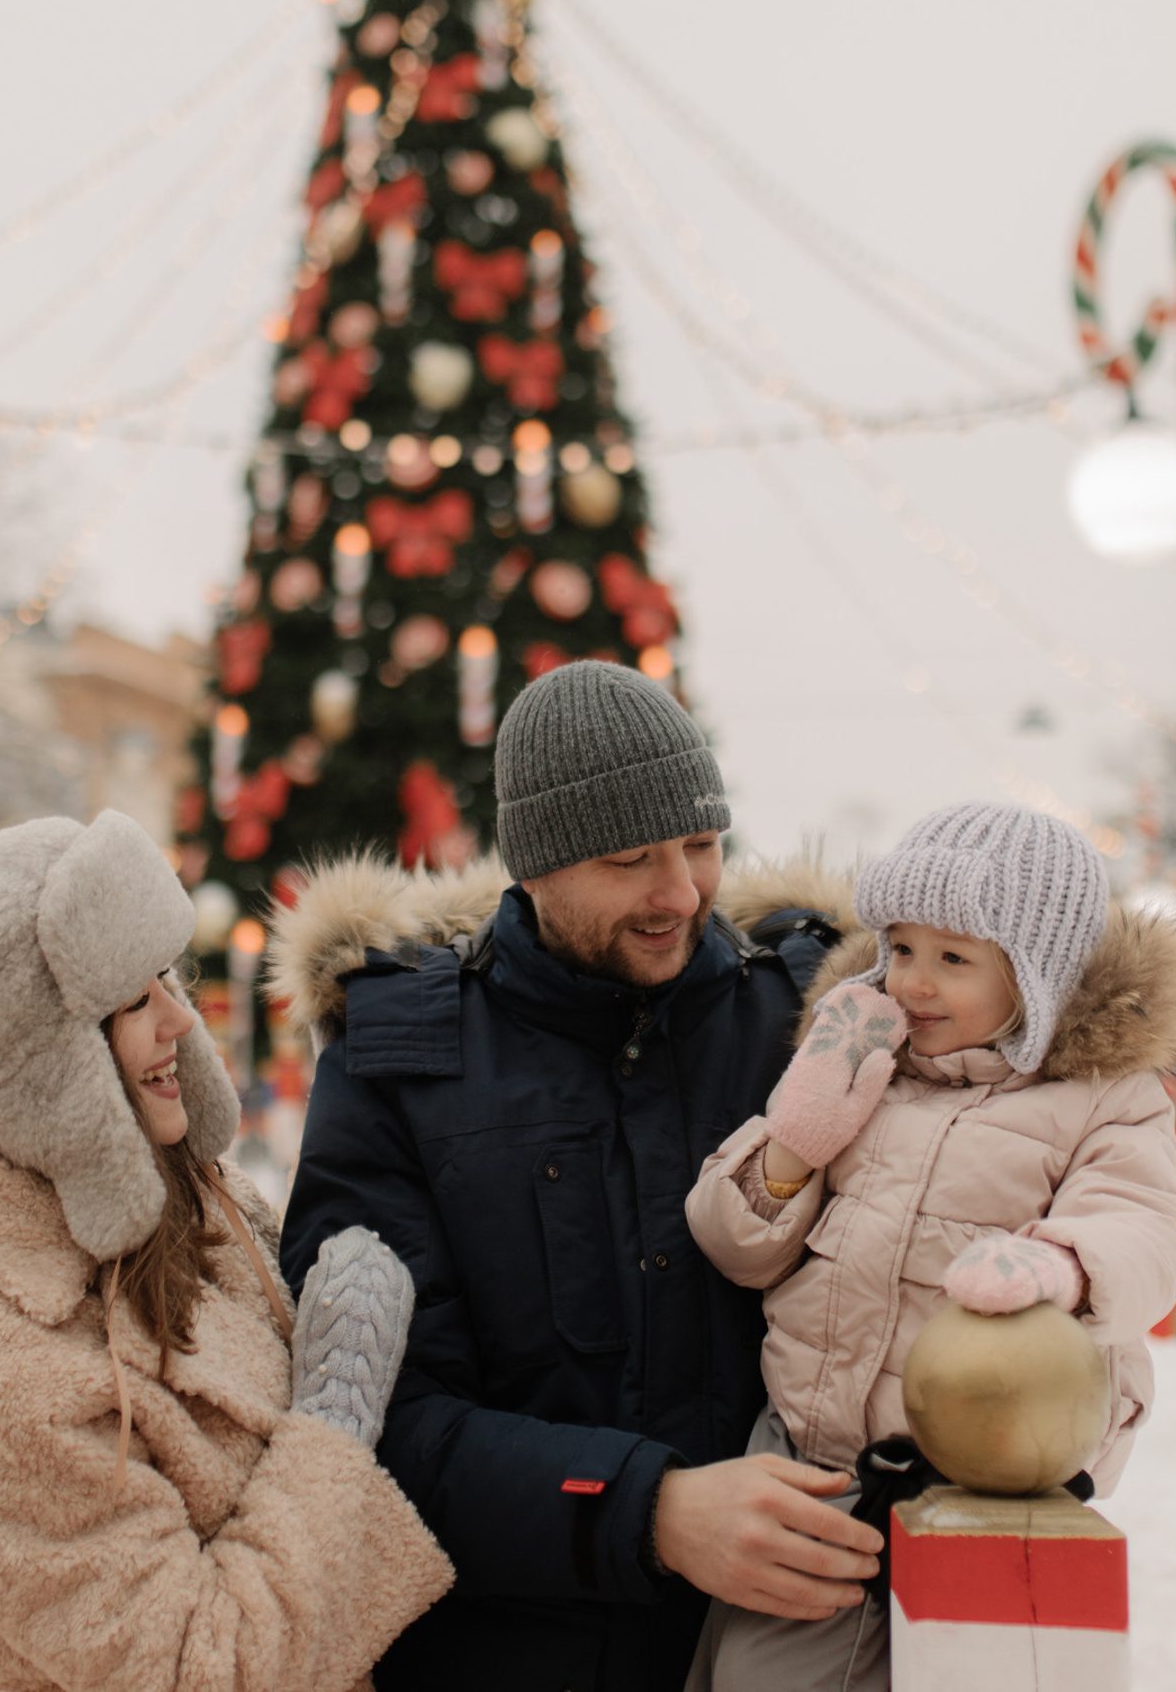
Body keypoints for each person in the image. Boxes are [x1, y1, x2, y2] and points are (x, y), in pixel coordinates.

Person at [273, 662, 884, 1692]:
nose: (681, 892)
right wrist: (650, 1512)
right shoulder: (399, 1061)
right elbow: (375, 1423)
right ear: (536, 865)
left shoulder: (810, 1020)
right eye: (629, 859)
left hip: (792, 1645)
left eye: (701, 844)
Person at [0, 810, 452, 1692]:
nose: (178, 1018)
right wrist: (335, 1418)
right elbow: (206, 1671)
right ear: (38, 1072)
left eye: (165, 978)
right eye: (133, 1001)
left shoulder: (186, 1197)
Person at [684, 801, 1176, 1690]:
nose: (913, 983)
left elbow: (1143, 1226)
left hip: (977, 1476)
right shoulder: (867, 1068)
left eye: (954, 959)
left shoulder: (1104, 1097)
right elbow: (738, 1251)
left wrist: (1060, 1266)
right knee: (743, 1667)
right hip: (810, 1458)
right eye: (901, 949)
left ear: (1036, 976)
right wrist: (795, 1139)